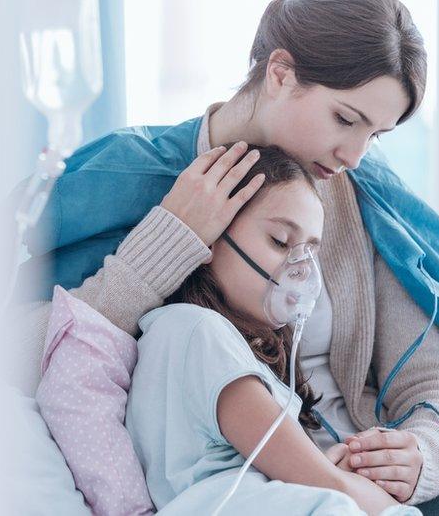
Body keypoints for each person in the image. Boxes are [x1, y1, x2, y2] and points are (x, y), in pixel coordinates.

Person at [4, 0, 439, 514]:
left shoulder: (354, 191)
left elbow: (430, 371)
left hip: (371, 462)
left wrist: (422, 453)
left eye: (374, 135)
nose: (355, 154)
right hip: (278, 483)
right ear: (280, 73)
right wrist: (164, 244)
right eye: (345, 119)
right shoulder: (133, 179)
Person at [126, 147, 417, 515]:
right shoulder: (196, 331)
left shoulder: (202, 337)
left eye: (311, 251)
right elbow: (330, 487)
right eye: (280, 241)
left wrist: (327, 471)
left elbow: (302, 478)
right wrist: (341, 482)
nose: (301, 268)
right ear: (212, 235)